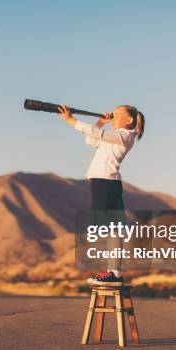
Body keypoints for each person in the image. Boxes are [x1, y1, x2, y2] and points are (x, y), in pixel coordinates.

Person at [58, 104, 145, 285]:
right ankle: (114, 272)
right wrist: (100, 122)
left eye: (117, 114)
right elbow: (91, 139)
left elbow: (95, 133)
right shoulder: (115, 137)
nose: (113, 116)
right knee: (113, 229)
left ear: (129, 120)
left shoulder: (124, 135)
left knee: (112, 229)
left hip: (106, 183)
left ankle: (114, 272)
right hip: (105, 183)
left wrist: (70, 120)